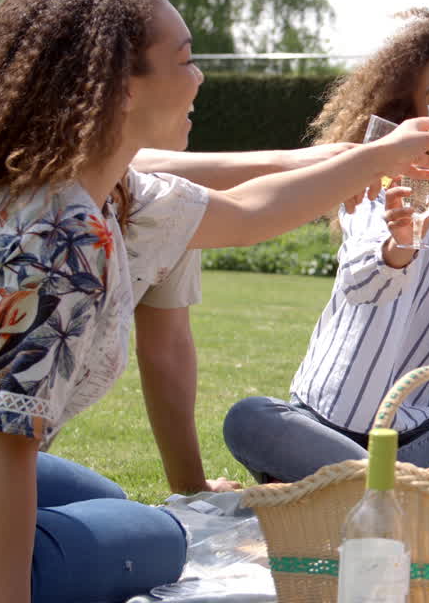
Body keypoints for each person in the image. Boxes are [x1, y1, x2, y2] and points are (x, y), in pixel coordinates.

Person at [0, 0, 429, 603]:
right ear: (119, 89)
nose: (200, 76)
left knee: (105, 499)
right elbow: (10, 447)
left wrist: (378, 154)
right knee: (164, 538)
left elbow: (249, 201)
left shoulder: (67, 183)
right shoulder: (64, 236)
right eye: (184, 60)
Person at [222, 9, 429, 483]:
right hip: (325, 423)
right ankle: (404, 493)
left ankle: (359, 490)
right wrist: (397, 248)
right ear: (410, 117)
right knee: (249, 418)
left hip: (427, 434)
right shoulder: (382, 179)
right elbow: (361, 280)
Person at [131, 143, 353, 495]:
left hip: (21, 457)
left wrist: (191, 490)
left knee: (132, 522)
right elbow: (246, 213)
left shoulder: (162, 204)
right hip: (13, 455)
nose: (200, 83)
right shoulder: (65, 189)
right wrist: (363, 162)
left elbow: (167, 348)